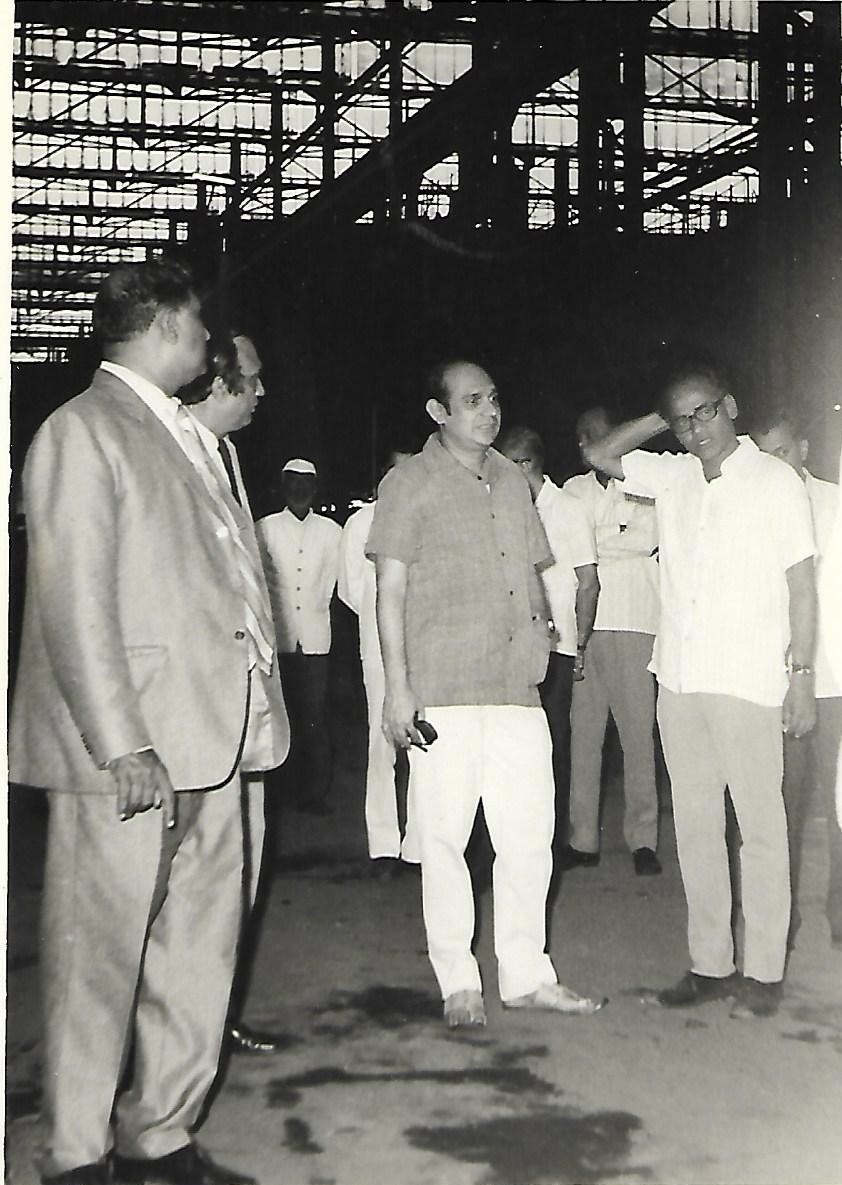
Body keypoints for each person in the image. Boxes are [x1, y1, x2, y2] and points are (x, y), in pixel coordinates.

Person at [9, 259, 289, 1185]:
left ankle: (160, 1133)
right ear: (167, 325)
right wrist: (120, 741)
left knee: (198, 951)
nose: (209, 343)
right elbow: (72, 598)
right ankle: (76, 1154)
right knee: (98, 958)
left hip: (213, 739)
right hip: (132, 751)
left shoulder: (187, 435)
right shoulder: (80, 430)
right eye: (200, 326)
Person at [368, 359, 604, 1028]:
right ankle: (458, 980)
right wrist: (397, 689)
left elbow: (532, 571)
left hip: (516, 688)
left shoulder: (511, 479)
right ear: (438, 412)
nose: (489, 412)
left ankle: (526, 974)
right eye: (472, 401)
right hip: (442, 688)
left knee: (530, 837)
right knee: (445, 840)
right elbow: (390, 591)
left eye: (494, 398)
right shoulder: (407, 482)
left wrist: (541, 636)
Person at [586, 363, 816, 1019]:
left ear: (732, 407)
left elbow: (802, 588)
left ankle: (763, 972)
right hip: (680, 678)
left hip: (747, 680)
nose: (696, 429)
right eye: (683, 419)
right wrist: (662, 416)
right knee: (696, 828)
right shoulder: (674, 475)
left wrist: (801, 677)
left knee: (761, 831)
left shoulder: (774, 480)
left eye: (706, 411)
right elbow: (601, 454)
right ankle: (710, 964)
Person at [179, 329, 291, 1053]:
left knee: (242, 867)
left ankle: (212, 1018)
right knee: (196, 880)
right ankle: (179, 1034)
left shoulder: (227, 454)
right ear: (220, 382)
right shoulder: (171, 447)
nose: (261, 391)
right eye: (253, 378)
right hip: (197, 704)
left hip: (247, 697)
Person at [751, 406, 842, 948]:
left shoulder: (837, 503)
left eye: (783, 451)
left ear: (803, 450)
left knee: (840, 805)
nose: (776, 464)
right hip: (781, 683)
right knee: (781, 806)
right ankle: (779, 923)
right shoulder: (752, 511)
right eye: (765, 455)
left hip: (837, 680)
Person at [563, 406, 662, 876]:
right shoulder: (573, 491)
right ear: (582, 444)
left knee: (637, 734)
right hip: (584, 622)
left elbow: (647, 540)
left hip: (636, 616)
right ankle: (582, 838)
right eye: (591, 438)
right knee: (584, 735)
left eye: (609, 435)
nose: (600, 445)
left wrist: (602, 542)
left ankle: (643, 839)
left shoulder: (645, 483)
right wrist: (614, 538)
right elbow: (573, 549)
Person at [497, 426, 599, 851]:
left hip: (557, 649)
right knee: (513, 748)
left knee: (553, 745)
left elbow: (588, 583)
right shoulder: (503, 508)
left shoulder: (569, 509)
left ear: (526, 465)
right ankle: (516, 840)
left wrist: (581, 645)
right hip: (513, 648)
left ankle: (552, 844)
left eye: (506, 465)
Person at [338, 449, 421, 876]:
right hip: (377, 647)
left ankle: (419, 846)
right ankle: (384, 843)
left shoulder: (426, 515)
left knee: (425, 743)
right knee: (381, 740)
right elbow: (352, 590)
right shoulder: (360, 522)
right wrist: (380, 629)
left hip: (425, 645)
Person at [257, 460, 341, 814]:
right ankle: (280, 794)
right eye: (293, 483)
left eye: (306, 483)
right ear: (282, 486)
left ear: (316, 488)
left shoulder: (332, 532)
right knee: (279, 718)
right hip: (278, 641)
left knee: (314, 719)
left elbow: (337, 583)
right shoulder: (265, 529)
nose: (299, 490)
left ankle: (314, 794)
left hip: (316, 640)